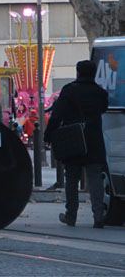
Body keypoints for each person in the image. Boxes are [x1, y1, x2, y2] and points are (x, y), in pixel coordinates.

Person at [46, 59, 109, 228]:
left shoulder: (69, 91)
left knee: (72, 179)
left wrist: (48, 135)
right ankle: (98, 215)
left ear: (78, 72)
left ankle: (71, 215)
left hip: (74, 139)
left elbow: (57, 115)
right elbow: (103, 109)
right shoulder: (100, 92)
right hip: (94, 140)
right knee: (95, 178)